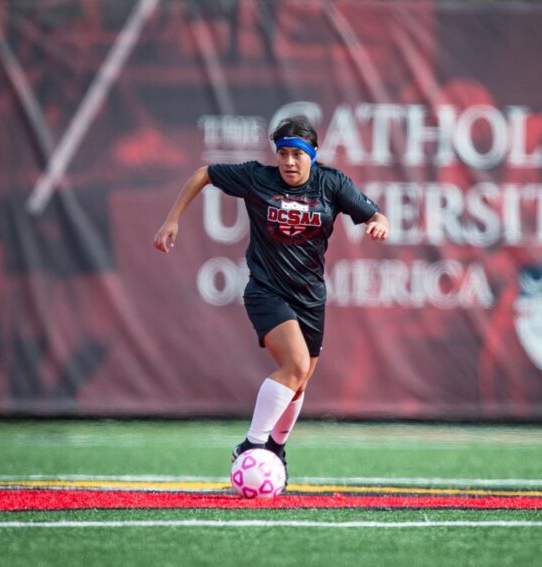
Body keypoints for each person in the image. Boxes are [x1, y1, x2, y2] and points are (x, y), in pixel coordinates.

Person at [153, 115, 389, 482]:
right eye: (283, 154)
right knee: (294, 365)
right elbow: (204, 174)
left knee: (301, 380)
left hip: (310, 296)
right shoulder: (257, 178)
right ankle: (251, 445)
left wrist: (378, 222)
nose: (289, 162)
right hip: (266, 290)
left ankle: (276, 448)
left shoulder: (332, 184)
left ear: (313, 154)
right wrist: (172, 220)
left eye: (297, 154)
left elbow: (374, 213)